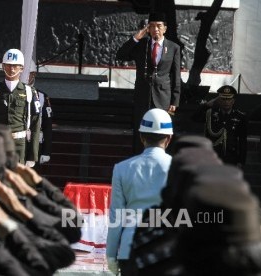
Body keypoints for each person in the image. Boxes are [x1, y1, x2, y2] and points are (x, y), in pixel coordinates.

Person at [106, 108, 173, 276]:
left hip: (130, 251)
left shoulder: (121, 169)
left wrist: (111, 256)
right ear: (169, 138)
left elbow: (117, 217)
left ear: (142, 137)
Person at [116, 13, 181, 154]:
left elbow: (176, 75)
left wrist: (175, 101)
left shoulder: (173, 47)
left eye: (159, 26)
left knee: (162, 130)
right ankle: (139, 156)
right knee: (141, 129)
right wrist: (136, 38)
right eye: (151, 26)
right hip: (143, 95)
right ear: (148, 29)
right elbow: (120, 55)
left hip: (163, 97)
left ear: (165, 29)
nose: (155, 29)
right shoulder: (142, 45)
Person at [0, 49, 41, 167]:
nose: (11, 69)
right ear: (3, 66)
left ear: (21, 68)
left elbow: (35, 124)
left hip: (19, 144)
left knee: (16, 181)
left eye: (15, 66)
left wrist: (32, 155)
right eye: (8, 65)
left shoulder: (30, 92)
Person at [192, 85, 248, 167]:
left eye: (229, 99)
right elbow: (195, 118)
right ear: (219, 100)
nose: (226, 102)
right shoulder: (210, 113)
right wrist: (206, 105)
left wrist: (241, 161)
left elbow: (242, 141)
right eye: (223, 99)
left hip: (231, 158)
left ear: (233, 101)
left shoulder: (240, 117)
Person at [28, 70, 53, 165]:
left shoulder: (42, 96)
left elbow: (47, 126)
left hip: (35, 145)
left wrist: (46, 151)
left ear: (33, 74)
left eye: (28, 73)